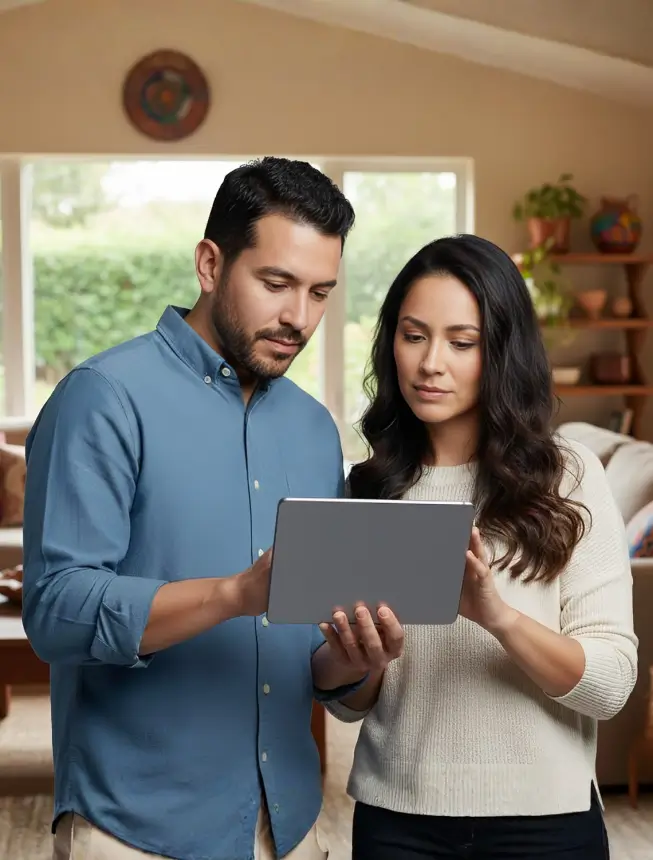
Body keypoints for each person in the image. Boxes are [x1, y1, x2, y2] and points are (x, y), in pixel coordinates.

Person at [21, 156, 405, 860]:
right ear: (209, 264)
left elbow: (313, 662)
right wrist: (234, 595)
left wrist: (357, 659)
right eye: (275, 283)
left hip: (287, 828)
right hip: (136, 832)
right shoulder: (104, 398)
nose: (298, 317)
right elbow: (57, 611)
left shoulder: (314, 430)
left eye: (319, 292)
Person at [327, 234, 638, 859]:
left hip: (546, 824)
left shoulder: (569, 476)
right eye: (414, 336)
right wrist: (365, 661)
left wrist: (497, 617)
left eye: (462, 342)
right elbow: (349, 706)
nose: (430, 363)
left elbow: (610, 684)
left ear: (502, 351)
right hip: (398, 823)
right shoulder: (369, 486)